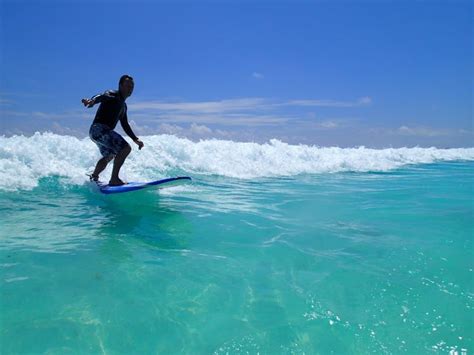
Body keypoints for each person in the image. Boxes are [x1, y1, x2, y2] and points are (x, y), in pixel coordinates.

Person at [82, 75, 144, 186]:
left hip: (96, 132)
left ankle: (94, 176)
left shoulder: (123, 106)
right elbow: (101, 96)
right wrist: (92, 101)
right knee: (125, 148)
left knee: (109, 155)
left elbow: (125, 124)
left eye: (132, 87)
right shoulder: (113, 95)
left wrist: (135, 139)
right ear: (120, 86)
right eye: (127, 86)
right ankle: (114, 179)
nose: (130, 89)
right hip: (99, 129)